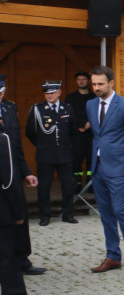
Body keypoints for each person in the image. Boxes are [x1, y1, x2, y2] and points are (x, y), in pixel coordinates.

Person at [86, 66, 124, 277]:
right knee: (105, 213)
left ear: (111, 83)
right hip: (98, 166)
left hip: (119, 167)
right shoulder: (90, 104)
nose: (97, 88)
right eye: (94, 84)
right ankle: (113, 256)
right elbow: (97, 134)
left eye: (100, 84)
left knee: (121, 211)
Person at [0, 77, 44, 277]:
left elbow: (16, 145)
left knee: (20, 215)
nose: (1, 96)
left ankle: (22, 259)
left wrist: (26, 172)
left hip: (12, 172)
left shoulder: (10, 108)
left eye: (1, 92)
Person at [26, 80, 77, 225]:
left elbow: (73, 130)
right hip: (45, 155)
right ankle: (45, 216)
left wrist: (66, 146)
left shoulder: (67, 108)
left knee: (68, 186)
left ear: (59, 93)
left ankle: (68, 215)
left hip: (65, 154)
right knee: (44, 187)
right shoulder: (38, 109)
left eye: (52, 93)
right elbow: (30, 132)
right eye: (47, 93)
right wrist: (42, 145)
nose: (49, 96)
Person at [65, 71, 95, 191]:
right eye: (79, 79)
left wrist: (89, 124)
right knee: (76, 160)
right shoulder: (70, 98)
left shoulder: (94, 97)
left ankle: (91, 185)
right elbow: (68, 115)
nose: (81, 81)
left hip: (92, 134)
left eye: (84, 79)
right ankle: (76, 186)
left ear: (88, 81)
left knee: (91, 160)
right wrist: (81, 124)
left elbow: (98, 113)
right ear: (76, 81)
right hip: (76, 134)